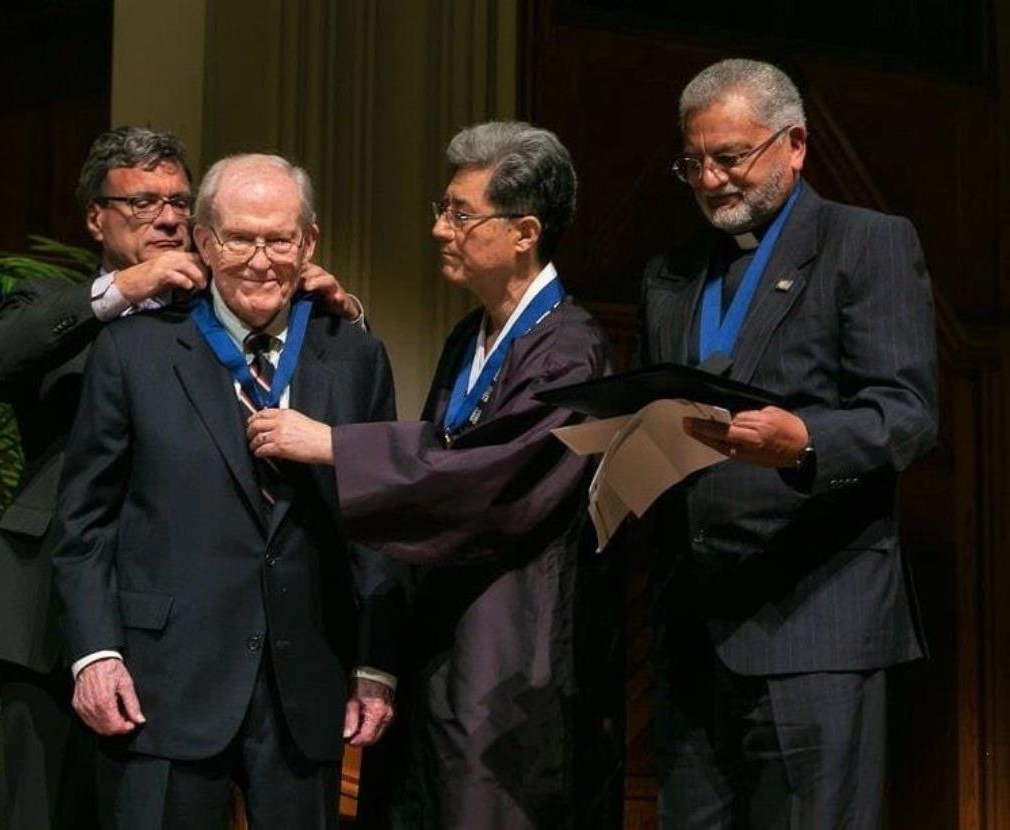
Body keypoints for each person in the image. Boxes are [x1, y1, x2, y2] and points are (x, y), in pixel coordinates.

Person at [0, 128, 362, 828]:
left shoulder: (218, 304)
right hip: (57, 616)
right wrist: (120, 292)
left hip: (190, 625)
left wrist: (331, 314)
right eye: (143, 202)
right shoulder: (57, 305)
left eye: (179, 200)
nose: (167, 217)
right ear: (96, 217)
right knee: (42, 813)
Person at [248, 121, 610, 829]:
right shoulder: (470, 334)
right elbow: (437, 453)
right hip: (441, 640)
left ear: (524, 232)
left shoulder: (570, 351)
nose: (442, 229)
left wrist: (336, 446)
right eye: (442, 210)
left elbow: (488, 480)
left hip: (512, 651)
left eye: (461, 213)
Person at [50, 153, 404, 829]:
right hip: (164, 681)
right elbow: (85, 521)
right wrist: (95, 654)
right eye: (240, 239)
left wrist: (376, 662)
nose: (261, 260)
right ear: (205, 242)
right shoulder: (136, 351)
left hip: (307, 680)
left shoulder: (354, 355)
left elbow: (379, 518)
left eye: (280, 239)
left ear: (309, 242)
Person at [637, 59, 938, 827]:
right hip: (694, 629)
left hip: (816, 625)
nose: (710, 180)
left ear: (795, 144)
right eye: (693, 162)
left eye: (730, 157)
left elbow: (906, 413)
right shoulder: (671, 276)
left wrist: (805, 443)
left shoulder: (865, 243)